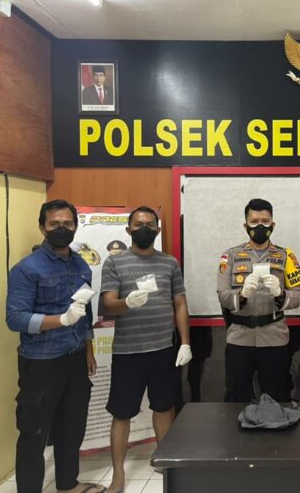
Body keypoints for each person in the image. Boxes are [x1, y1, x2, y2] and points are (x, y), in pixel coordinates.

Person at [6, 200, 103, 493]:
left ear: (75, 226)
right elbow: (15, 318)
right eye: (54, 224)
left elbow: (85, 312)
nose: (62, 229)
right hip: (41, 362)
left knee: (71, 427)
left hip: (75, 357)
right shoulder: (26, 269)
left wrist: (88, 349)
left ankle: (67, 484)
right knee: (34, 433)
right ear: (42, 228)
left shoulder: (80, 264)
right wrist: (60, 319)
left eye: (67, 224)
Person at [100, 206, 191, 493]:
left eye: (150, 224)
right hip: (127, 352)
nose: (144, 228)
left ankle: (164, 463)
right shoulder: (114, 262)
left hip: (163, 349)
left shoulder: (169, 263)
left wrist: (185, 342)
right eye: (138, 224)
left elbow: (179, 302)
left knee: (164, 408)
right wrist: (127, 303)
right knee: (121, 413)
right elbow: (107, 304)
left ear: (158, 230)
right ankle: (118, 475)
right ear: (128, 229)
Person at [217, 198, 300, 402]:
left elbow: (298, 297)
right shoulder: (230, 256)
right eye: (254, 221)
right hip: (239, 337)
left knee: (276, 397)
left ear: (272, 225)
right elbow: (222, 295)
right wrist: (241, 295)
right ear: (245, 225)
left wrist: (280, 294)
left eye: (265, 222)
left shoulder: (286, 256)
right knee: (236, 398)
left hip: (274, 337)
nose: (260, 226)